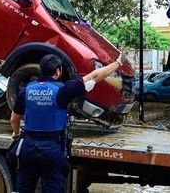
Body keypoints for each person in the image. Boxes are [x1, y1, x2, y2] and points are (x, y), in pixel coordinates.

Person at [10, 53, 126, 193]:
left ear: (42, 69)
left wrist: (16, 134)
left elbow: (14, 119)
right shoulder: (63, 91)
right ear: (58, 71)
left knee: (23, 188)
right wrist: (118, 63)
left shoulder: (25, 91)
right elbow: (95, 76)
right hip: (52, 149)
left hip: (28, 147)